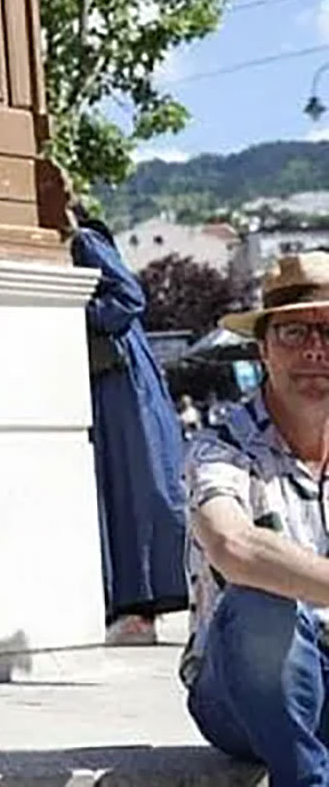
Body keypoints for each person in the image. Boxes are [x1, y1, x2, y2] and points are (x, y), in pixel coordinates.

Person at [182, 251, 329, 783]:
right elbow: (234, 546)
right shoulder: (219, 448)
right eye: (293, 332)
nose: (315, 349)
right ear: (263, 349)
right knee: (260, 603)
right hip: (240, 689)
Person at [68, 206, 188, 644]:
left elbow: (128, 297)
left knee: (138, 484)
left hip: (121, 381)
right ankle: (135, 604)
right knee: (126, 487)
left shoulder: (81, 240)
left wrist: (68, 313)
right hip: (114, 379)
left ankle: (141, 603)